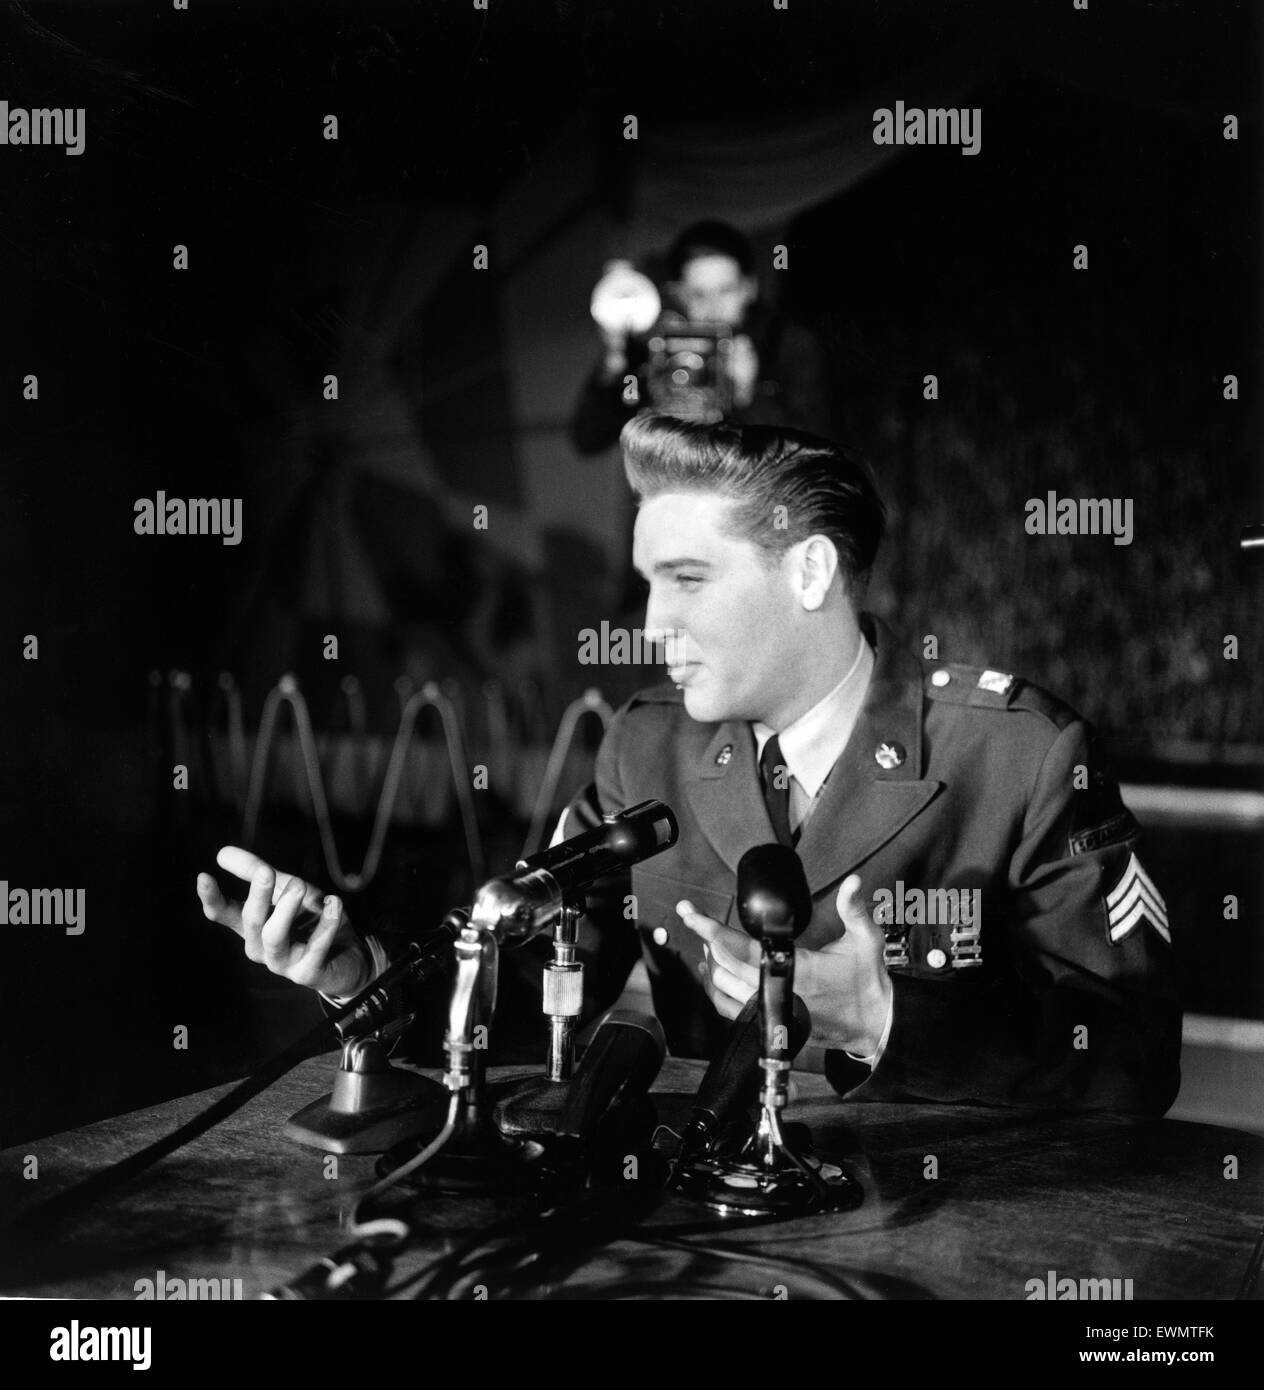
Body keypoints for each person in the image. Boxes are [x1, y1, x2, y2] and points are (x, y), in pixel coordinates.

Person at [198, 413, 1181, 1114]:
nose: (651, 623)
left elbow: (1135, 1065)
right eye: (647, 583)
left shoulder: (1019, 752)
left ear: (808, 573)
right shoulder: (646, 744)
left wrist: (883, 1015)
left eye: (688, 581)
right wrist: (356, 972)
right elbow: (532, 999)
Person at [569, 220, 834, 455]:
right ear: (678, 294)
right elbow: (588, 439)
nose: (713, 308)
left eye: (725, 290)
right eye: (698, 294)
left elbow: (813, 449)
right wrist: (614, 367)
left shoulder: (784, 343)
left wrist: (748, 394)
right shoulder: (656, 346)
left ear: (749, 288)